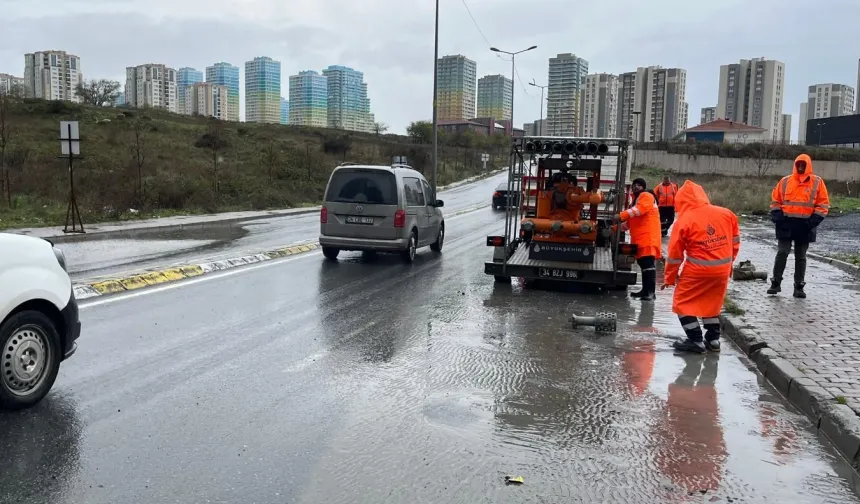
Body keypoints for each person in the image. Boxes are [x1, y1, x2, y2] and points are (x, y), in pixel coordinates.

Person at [662, 181, 740, 353]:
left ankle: (695, 340)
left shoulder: (684, 220)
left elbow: (675, 255)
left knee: (681, 303)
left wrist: (670, 277)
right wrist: (728, 264)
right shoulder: (726, 214)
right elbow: (734, 243)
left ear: (681, 201)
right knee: (711, 303)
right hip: (722, 269)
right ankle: (713, 340)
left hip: (697, 270)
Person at [767, 153, 830, 298]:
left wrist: (810, 223)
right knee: (782, 252)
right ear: (795, 165)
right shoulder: (785, 181)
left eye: (803, 164)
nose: (800, 166)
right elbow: (775, 201)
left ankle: (799, 287)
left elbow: (823, 205)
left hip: (805, 226)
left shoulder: (817, 182)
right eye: (798, 164)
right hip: (786, 224)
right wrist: (779, 219)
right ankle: (775, 283)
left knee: (800, 256)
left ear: (808, 166)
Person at [612, 177, 662, 301]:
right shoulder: (636, 201)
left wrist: (621, 215)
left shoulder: (646, 196)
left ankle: (650, 293)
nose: (636, 187)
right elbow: (629, 223)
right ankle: (645, 291)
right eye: (634, 185)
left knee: (648, 265)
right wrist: (614, 228)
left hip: (648, 238)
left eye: (639, 185)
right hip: (641, 239)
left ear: (643, 187)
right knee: (644, 265)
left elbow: (639, 210)